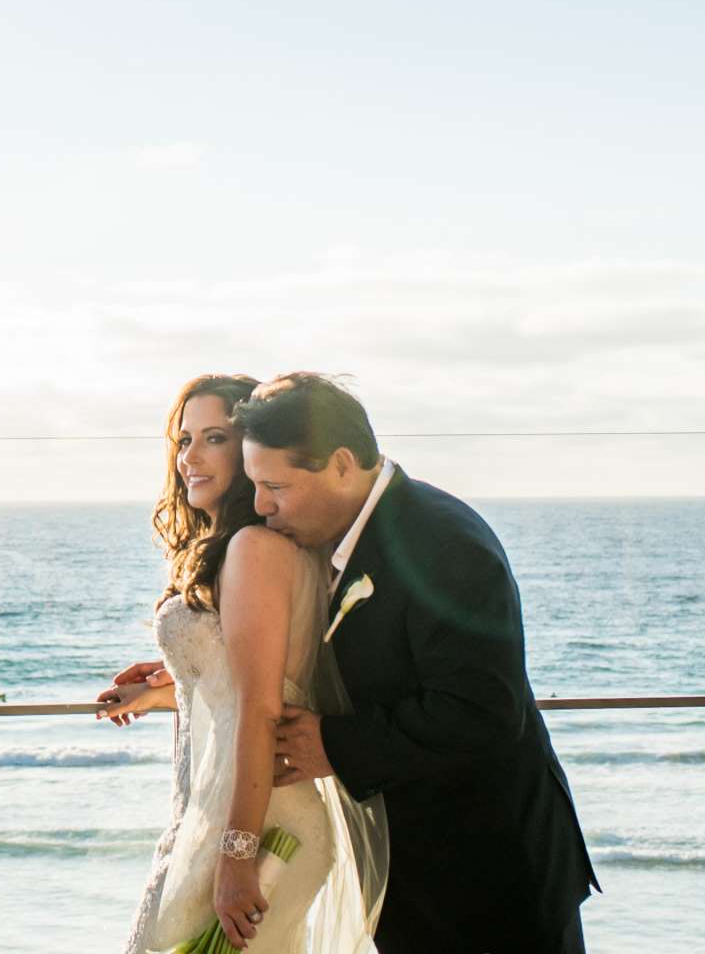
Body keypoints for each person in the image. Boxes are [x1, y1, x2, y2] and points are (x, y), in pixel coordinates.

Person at [243, 373, 597, 954]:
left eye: (275, 485)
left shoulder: (441, 542)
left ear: (339, 463)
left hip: (488, 881)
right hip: (418, 880)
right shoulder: (335, 537)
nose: (261, 507)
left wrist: (336, 746)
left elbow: (484, 709)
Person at [99, 374, 386, 953]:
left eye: (214, 438)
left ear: (250, 449)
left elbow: (261, 707)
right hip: (224, 807)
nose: (191, 457)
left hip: (254, 823)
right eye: (184, 441)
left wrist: (236, 857)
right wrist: (170, 685)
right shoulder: (263, 542)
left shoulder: (254, 547)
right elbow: (247, 680)